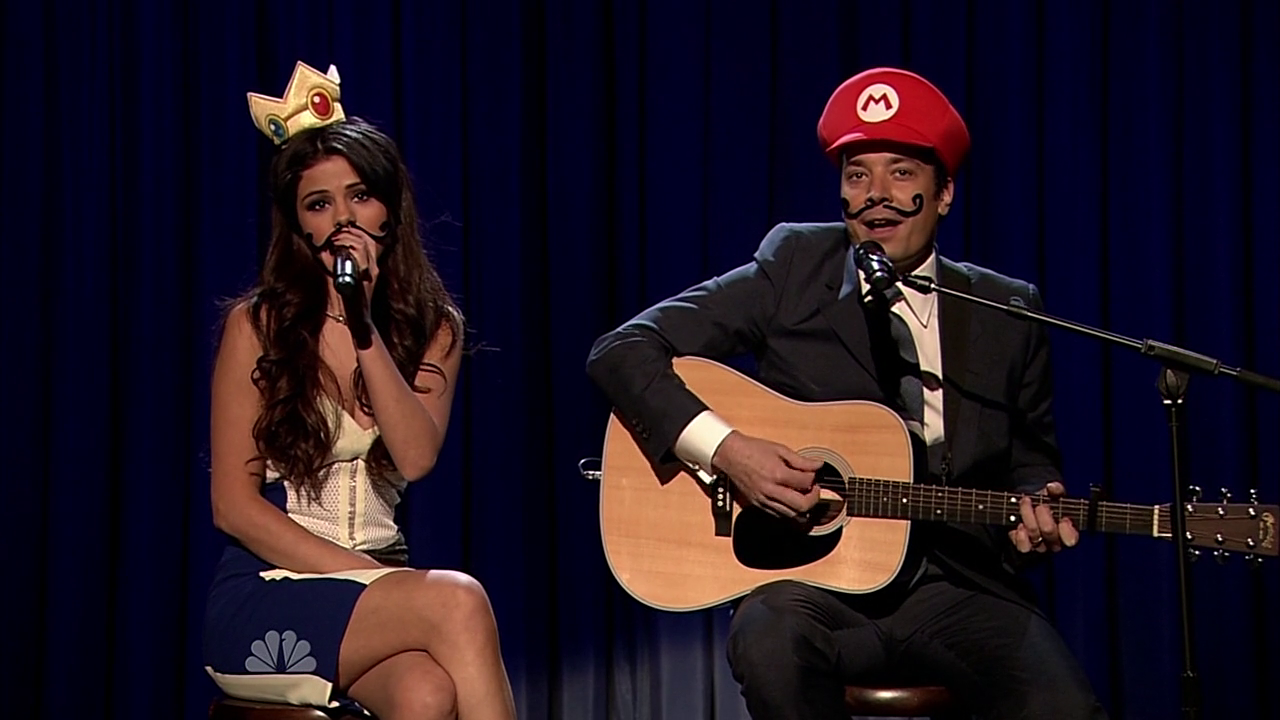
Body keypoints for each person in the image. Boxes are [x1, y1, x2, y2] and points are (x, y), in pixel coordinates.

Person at [585, 67, 1108, 719]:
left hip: (959, 586)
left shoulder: (1008, 310)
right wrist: (729, 451)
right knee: (768, 639)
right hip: (812, 584)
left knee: (1066, 707)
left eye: (901, 173)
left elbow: (1031, 461)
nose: (876, 195)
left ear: (944, 193)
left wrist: (1035, 513)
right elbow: (621, 351)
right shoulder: (795, 266)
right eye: (858, 175)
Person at [203, 61, 516, 720]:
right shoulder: (256, 327)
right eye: (319, 204)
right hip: (270, 592)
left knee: (426, 694)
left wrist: (363, 324)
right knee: (460, 598)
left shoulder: (434, 329)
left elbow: (416, 457)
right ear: (300, 227)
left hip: (382, 589)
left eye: (360, 195)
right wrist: (369, 576)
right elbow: (233, 506)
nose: (343, 217)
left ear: (389, 209)